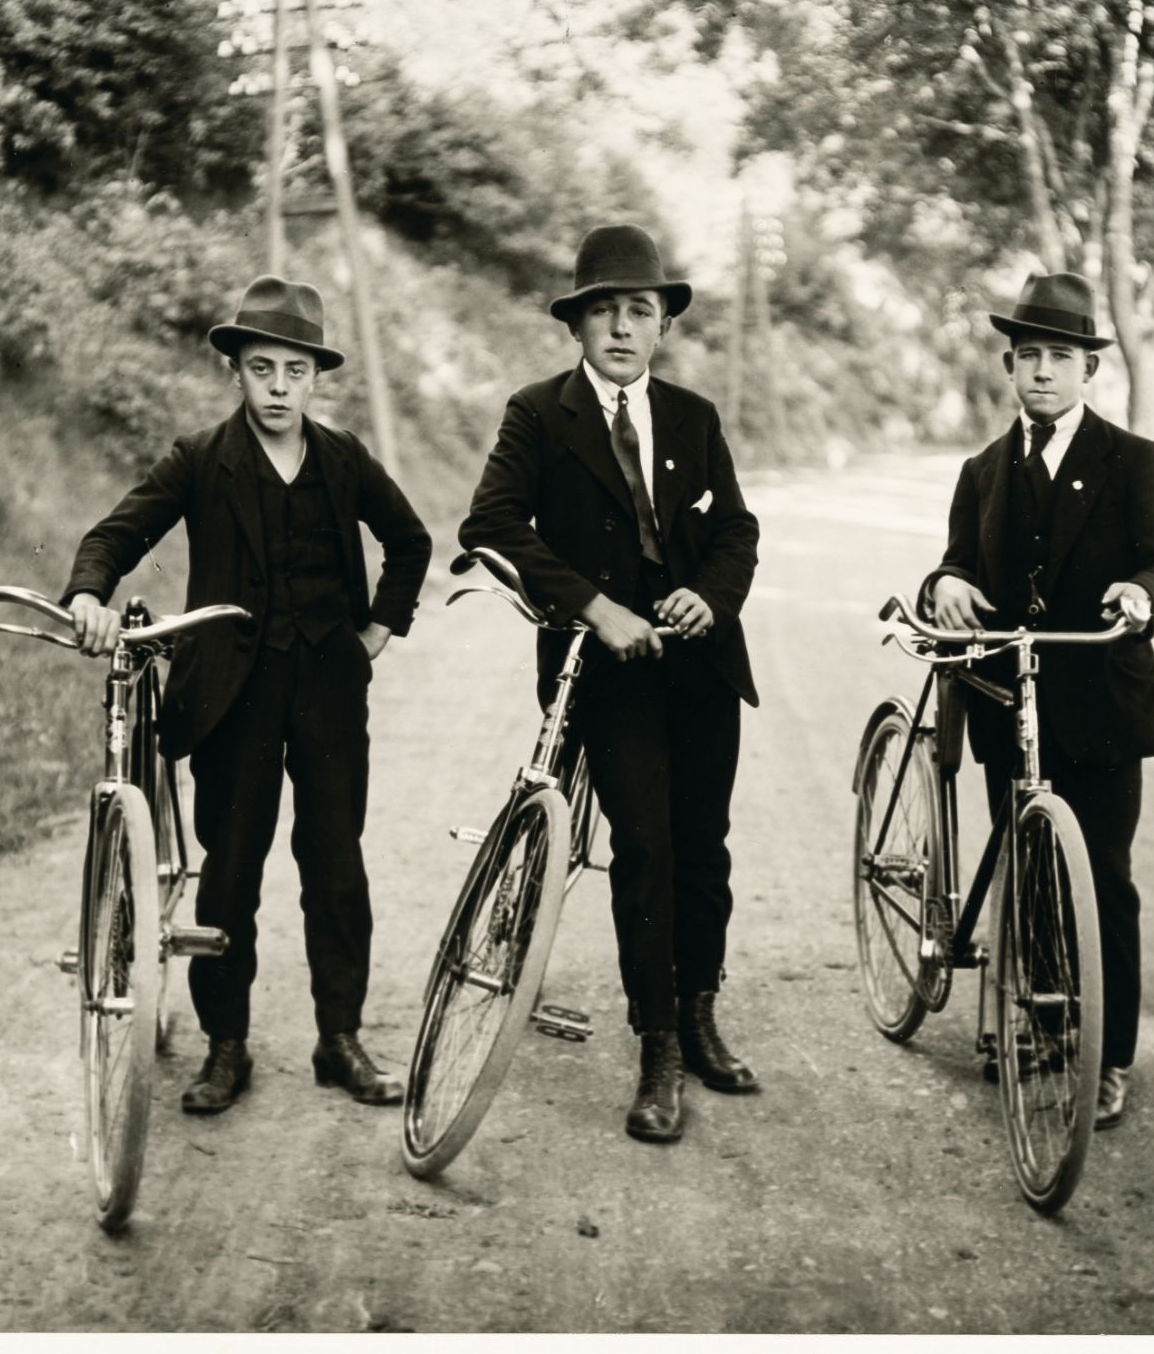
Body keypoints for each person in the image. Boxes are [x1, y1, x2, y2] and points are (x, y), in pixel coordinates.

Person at [60, 276, 432, 1115]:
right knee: (232, 871)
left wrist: (375, 632)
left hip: (330, 693)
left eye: (293, 371)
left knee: (336, 864)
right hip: (234, 695)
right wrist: (89, 590)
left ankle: (340, 1039)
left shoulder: (343, 459)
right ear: (236, 370)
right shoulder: (201, 458)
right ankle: (226, 1047)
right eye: (260, 367)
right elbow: (118, 531)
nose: (277, 386)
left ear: (314, 378)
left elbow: (410, 540)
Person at [459, 223, 762, 1144]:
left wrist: (709, 599)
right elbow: (493, 524)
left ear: (663, 324)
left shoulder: (695, 417)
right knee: (645, 842)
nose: (623, 329)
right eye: (605, 312)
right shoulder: (537, 413)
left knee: (704, 845)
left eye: (641, 310)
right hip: (604, 666)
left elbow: (736, 532)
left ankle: (702, 1011)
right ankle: (658, 1043)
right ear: (577, 326)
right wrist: (596, 606)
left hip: (699, 660)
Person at [919, 272, 1154, 1130]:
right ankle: (1045, 1023)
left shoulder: (1133, 461)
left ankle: (1108, 1055)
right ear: (1010, 366)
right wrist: (949, 583)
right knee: (1030, 865)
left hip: (1104, 703)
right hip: (1011, 698)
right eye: (1029, 356)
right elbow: (954, 561)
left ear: (1089, 372)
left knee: (1104, 879)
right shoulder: (983, 470)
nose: (1043, 371)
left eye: (1061, 358)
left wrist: (1144, 596)